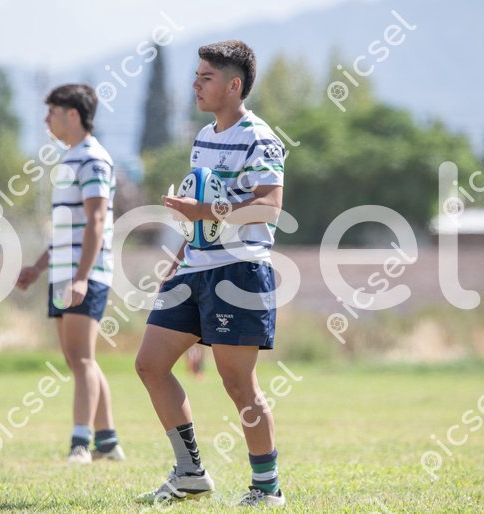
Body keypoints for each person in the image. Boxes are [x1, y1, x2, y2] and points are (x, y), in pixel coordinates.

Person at [135, 40, 286, 507]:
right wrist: (178, 260)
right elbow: (201, 216)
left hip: (240, 271)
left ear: (234, 85)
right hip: (194, 269)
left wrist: (203, 210)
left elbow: (269, 207)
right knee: (150, 364)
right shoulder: (203, 136)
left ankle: (268, 488)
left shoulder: (261, 138)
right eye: (195, 76)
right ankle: (190, 473)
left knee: (237, 382)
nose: (195, 85)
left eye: (206, 77)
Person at [16, 84, 124, 464]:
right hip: (63, 272)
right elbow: (67, 229)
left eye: (52, 112)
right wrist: (38, 266)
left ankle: (81, 442)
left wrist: (82, 277)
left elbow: (96, 221)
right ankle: (108, 442)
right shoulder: (71, 158)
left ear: (73, 115)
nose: (47, 119)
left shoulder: (93, 159)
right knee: (77, 359)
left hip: (84, 274)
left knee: (81, 359)